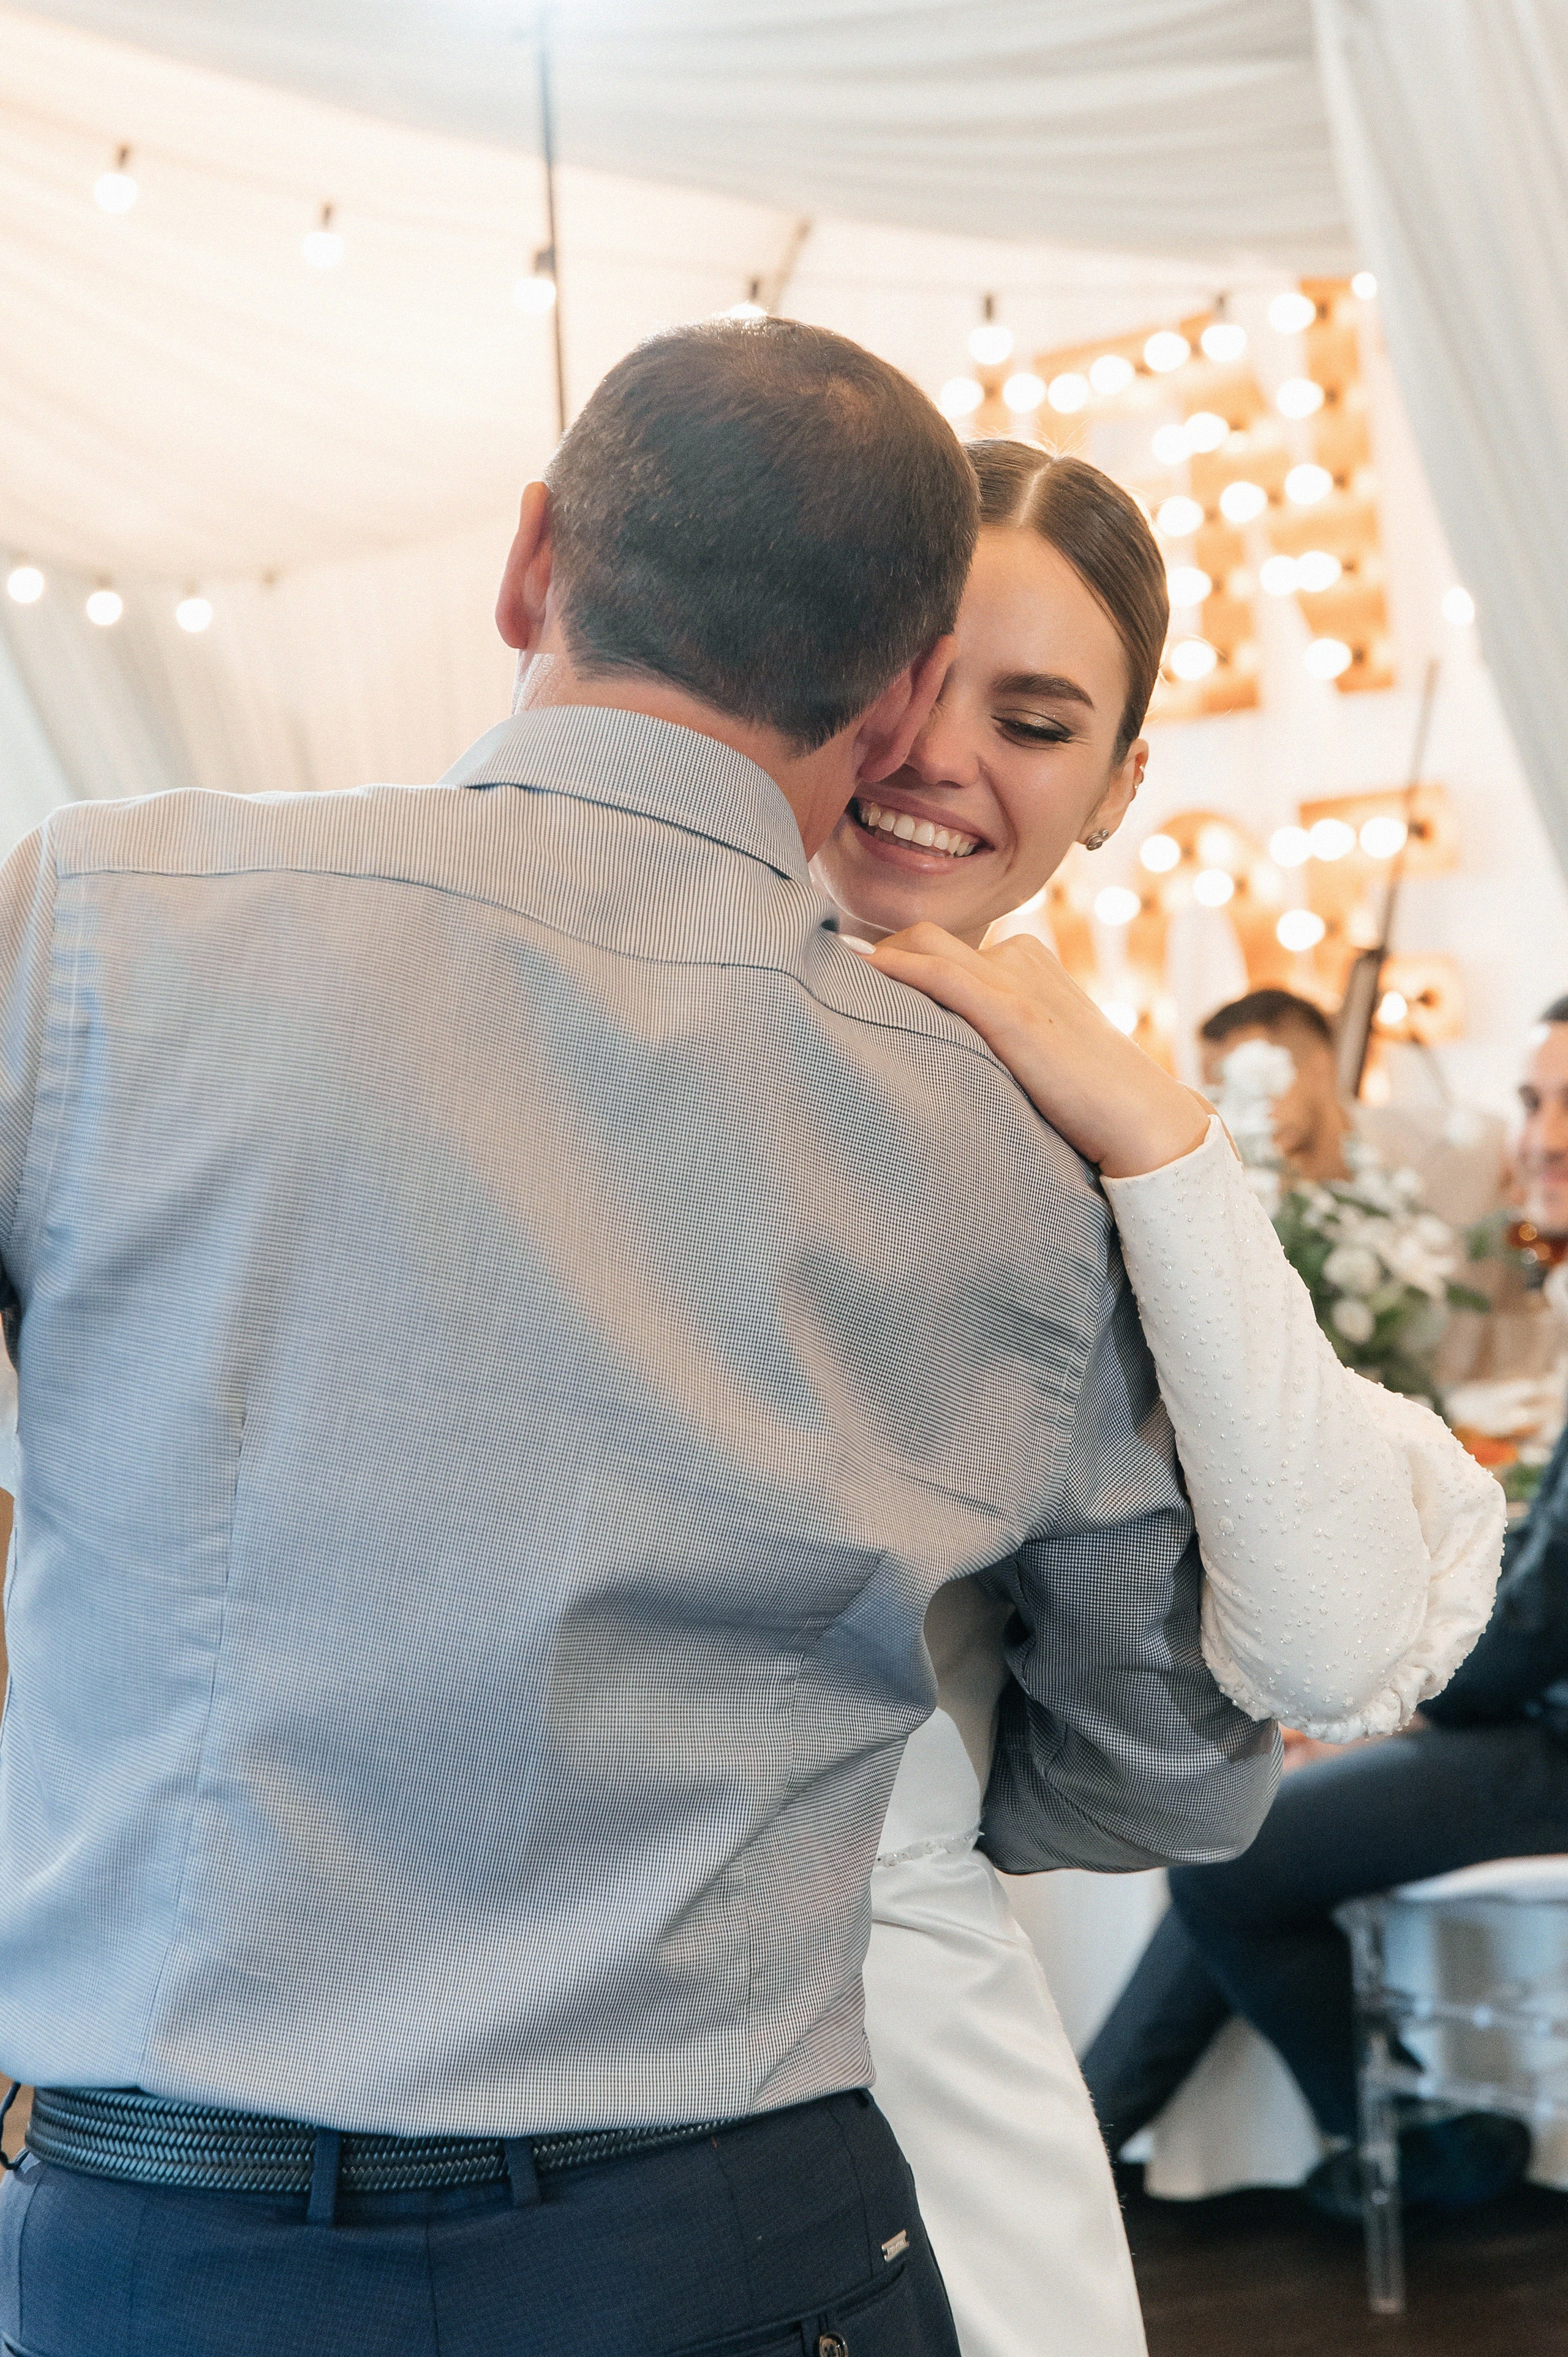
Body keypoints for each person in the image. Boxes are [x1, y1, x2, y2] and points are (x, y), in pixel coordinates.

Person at [0, 321, 1290, 2357]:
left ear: (529, 562)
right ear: (889, 706)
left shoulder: (91, 917)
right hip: (735, 2239)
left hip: (170, 2236)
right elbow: (1160, 1777)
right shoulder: (1007, 1139)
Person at [809, 439, 1504, 2355]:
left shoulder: (1068, 1115)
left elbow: (1335, 1626)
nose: (944, 755)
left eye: (1034, 720)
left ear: (1120, 791)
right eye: (910, 674)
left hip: (910, 2000)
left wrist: (1160, 1134)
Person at [1082, 997, 1568, 2220]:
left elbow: (1536, 1630)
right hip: (1531, 1716)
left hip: (1550, 1742)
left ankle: (1401, 2134)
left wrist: (1372, 1702)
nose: (1540, 1138)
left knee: (1232, 1846)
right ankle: (1093, 2147)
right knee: (1245, 1819)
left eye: (1566, 1108)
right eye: (1530, 1100)